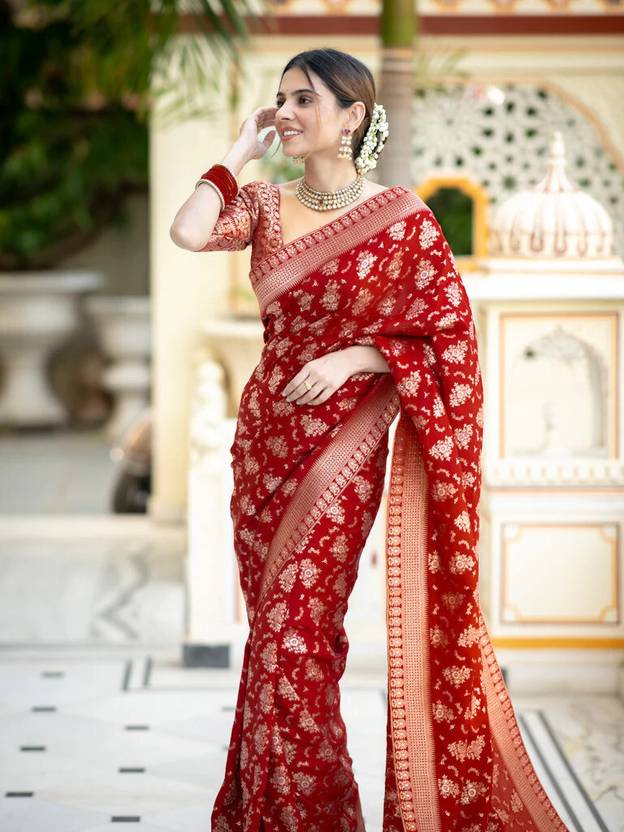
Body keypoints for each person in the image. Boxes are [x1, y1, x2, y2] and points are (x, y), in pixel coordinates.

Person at [170, 47, 569, 832]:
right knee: (276, 636)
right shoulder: (265, 205)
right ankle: (297, 813)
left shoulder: (401, 219)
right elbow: (188, 231)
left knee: (297, 637)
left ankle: (297, 816)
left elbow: (448, 335)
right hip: (264, 444)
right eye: (282, 98)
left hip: (342, 451)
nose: (287, 112)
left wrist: (356, 357)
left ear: (353, 115)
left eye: (305, 100)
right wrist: (239, 150)